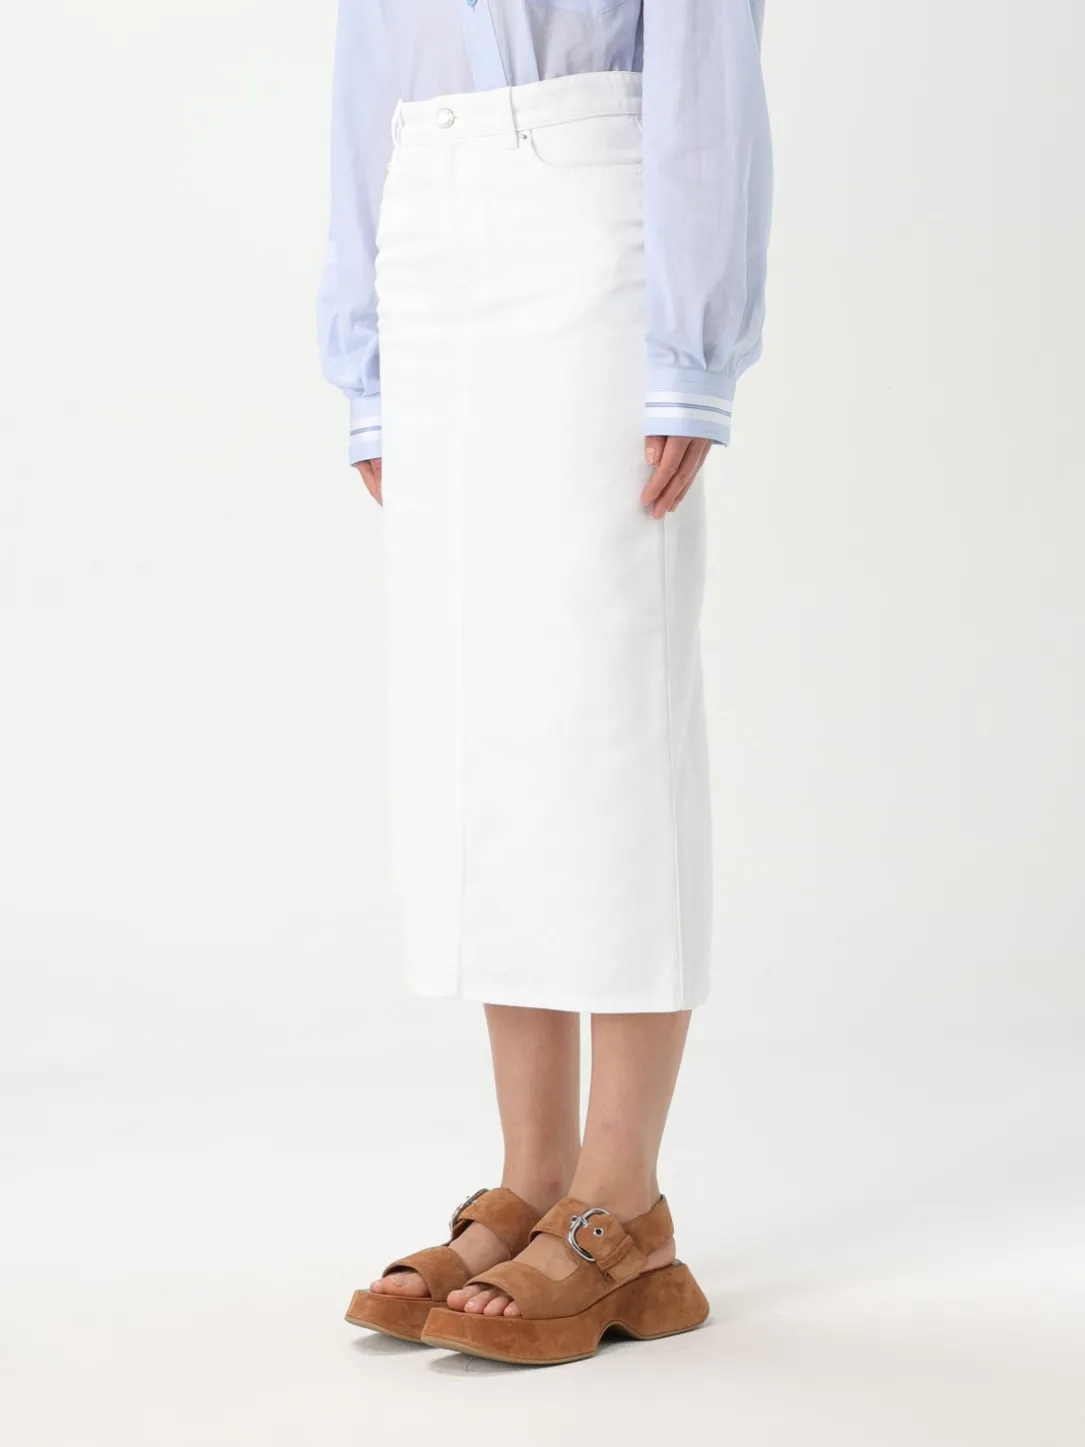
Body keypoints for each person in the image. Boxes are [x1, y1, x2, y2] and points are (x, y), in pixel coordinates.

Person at [318, 0, 772, 1367]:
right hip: (428, 219)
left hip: (593, 210)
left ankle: (623, 1206)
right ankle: (533, 1177)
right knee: (479, 720)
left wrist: (691, 348)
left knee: (610, 705)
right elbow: (367, 54)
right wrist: (366, 352)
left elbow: (705, 49)